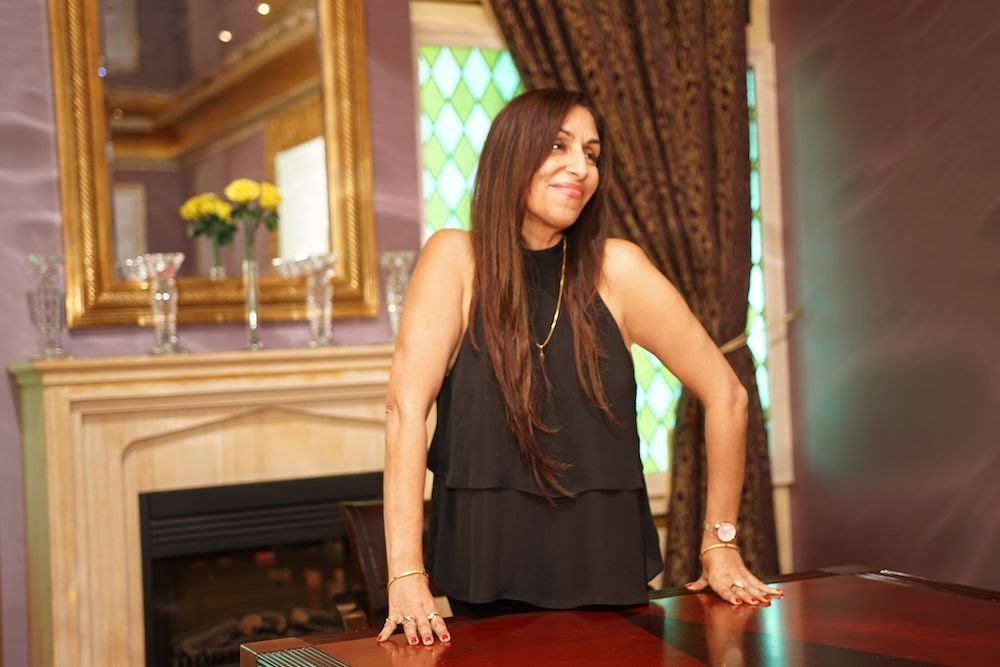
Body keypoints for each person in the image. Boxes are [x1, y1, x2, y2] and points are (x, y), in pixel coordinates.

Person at [377, 88, 782, 647]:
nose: (580, 168)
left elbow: (728, 396)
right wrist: (405, 572)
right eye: (558, 146)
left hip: (607, 586)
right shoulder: (455, 259)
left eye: (591, 153)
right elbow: (405, 412)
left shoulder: (618, 268)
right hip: (484, 581)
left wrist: (720, 542)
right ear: (508, 156)